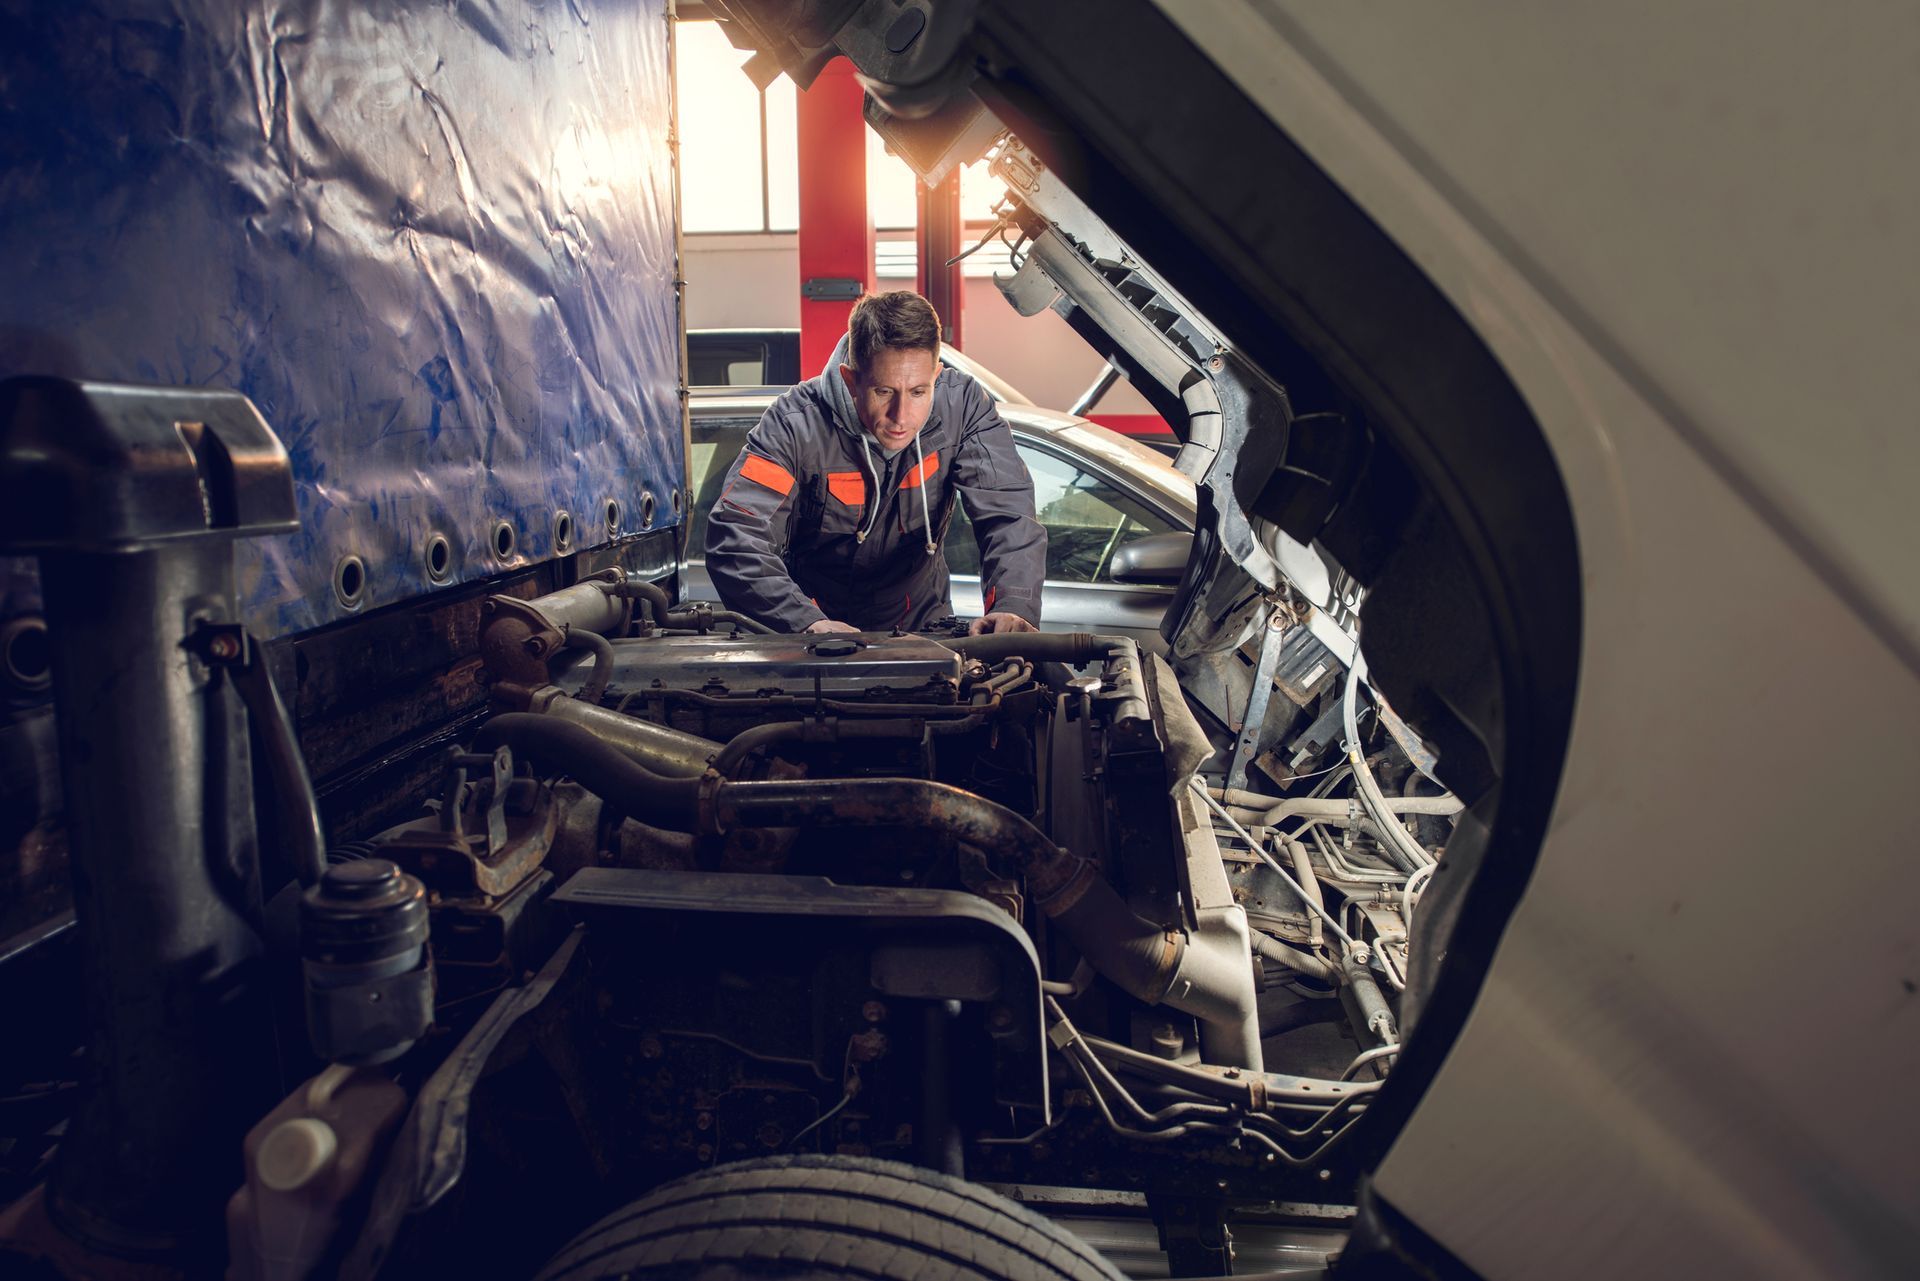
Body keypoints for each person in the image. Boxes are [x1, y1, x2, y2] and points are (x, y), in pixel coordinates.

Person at [704, 291, 1045, 635]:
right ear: (851, 380)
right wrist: (805, 622)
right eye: (884, 392)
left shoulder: (964, 408)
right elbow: (737, 535)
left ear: (936, 375)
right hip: (814, 635)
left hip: (923, 629)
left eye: (917, 392)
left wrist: (1012, 606)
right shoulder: (793, 426)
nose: (901, 416)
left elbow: (1009, 515)